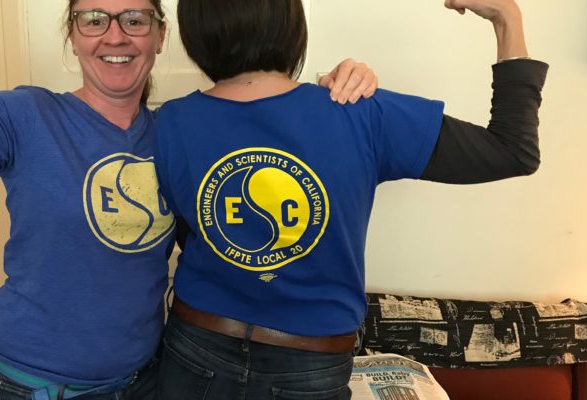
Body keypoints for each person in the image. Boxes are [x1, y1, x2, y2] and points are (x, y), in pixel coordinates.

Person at [0, 0, 377, 398]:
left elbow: (277, 134)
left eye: (134, 19)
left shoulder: (176, 133)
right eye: (94, 19)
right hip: (35, 386)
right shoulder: (23, 117)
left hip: (147, 380)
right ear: (73, 34)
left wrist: (335, 88)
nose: (115, 36)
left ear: (160, 35)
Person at [153, 0, 548, 399]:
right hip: (310, 361)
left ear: (195, 30)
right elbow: (512, 150)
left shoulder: (170, 121)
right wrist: (507, 19)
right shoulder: (359, 111)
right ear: (291, 22)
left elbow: (189, 232)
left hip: (194, 346)